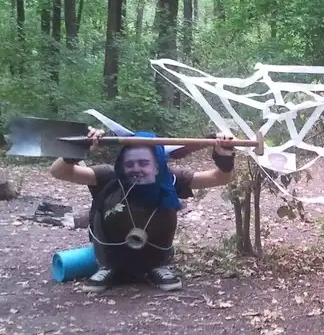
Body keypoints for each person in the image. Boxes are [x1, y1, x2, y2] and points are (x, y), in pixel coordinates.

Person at [49, 126, 237, 293]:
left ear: (157, 167)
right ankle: (108, 267)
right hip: (110, 253)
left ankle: (157, 266)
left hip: (156, 254)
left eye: (144, 163)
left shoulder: (171, 180)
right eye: (129, 164)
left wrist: (224, 156)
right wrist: (76, 151)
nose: (136, 169)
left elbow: (220, 178)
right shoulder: (109, 177)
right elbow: (59, 172)